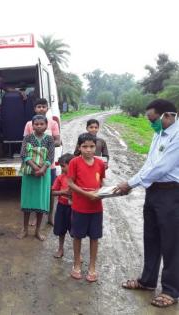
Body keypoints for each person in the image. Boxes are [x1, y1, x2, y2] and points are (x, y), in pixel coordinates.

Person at [115, 99, 179, 308]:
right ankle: (148, 281)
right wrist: (133, 183)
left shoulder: (177, 136)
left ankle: (171, 290)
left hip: (171, 194)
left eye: (154, 120)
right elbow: (149, 164)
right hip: (153, 191)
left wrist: (131, 183)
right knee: (151, 238)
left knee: (172, 243)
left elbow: (162, 168)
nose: (152, 124)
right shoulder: (159, 133)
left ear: (168, 115)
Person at [67, 133, 105, 282]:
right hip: (79, 207)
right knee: (77, 236)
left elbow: (101, 182)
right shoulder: (74, 162)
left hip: (96, 208)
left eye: (91, 146)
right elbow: (70, 183)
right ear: (79, 147)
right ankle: (76, 264)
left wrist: (104, 192)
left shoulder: (100, 163)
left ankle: (92, 266)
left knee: (95, 237)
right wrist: (86, 194)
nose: (88, 150)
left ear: (96, 147)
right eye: (85, 146)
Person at [23, 98, 61, 225]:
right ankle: (34, 217)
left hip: (48, 166)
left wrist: (46, 143)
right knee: (34, 192)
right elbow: (26, 144)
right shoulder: (29, 124)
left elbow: (58, 141)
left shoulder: (53, 123)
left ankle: (50, 216)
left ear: (47, 108)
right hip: (32, 165)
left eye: (43, 106)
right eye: (38, 106)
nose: (41, 109)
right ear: (35, 109)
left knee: (50, 191)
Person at [17, 115, 55, 241]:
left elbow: (50, 157)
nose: (39, 126)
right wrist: (35, 168)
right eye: (36, 124)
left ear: (46, 125)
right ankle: (25, 229)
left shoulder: (49, 139)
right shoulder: (27, 138)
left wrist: (43, 169)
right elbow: (23, 154)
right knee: (27, 202)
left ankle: (38, 231)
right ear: (32, 125)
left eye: (41, 124)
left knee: (40, 203)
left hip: (44, 174)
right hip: (30, 173)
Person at [52, 153, 74, 258]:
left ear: (72, 165)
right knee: (61, 230)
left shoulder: (77, 178)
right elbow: (52, 192)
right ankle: (60, 249)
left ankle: (77, 253)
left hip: (74, 208)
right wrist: (63, 192)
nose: (62, 168)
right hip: (62, 207)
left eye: (63, 166)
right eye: (61, 166)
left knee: (75, 231)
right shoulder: (60, 178)